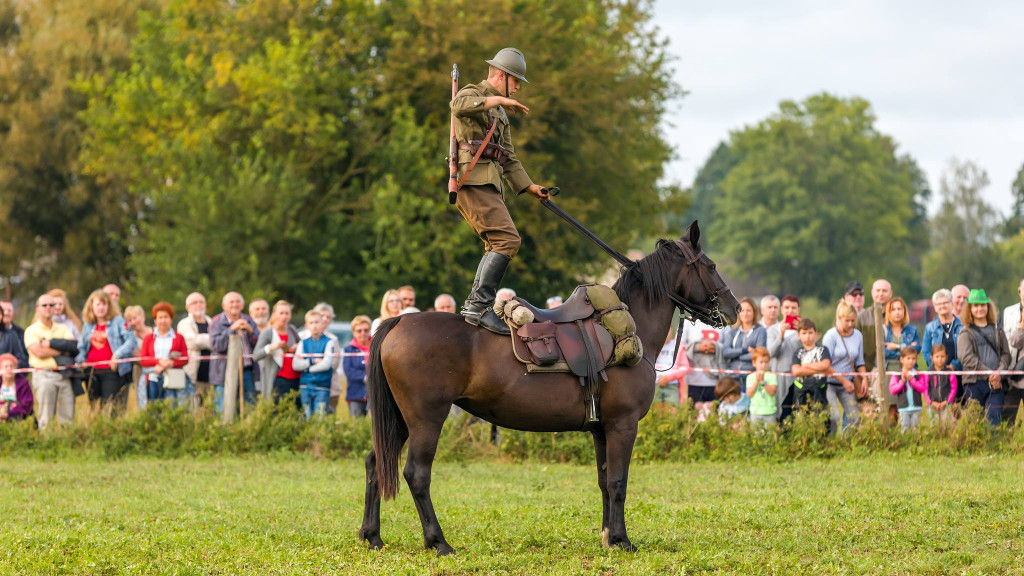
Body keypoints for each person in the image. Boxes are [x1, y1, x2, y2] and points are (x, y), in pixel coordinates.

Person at [451, 47, 550, 335]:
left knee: (499, 242)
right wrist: (499, 99)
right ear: (501, 75)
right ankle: (478, 306)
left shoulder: (500, 113)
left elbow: (507, 157)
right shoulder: (473, 93)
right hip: (472, 180)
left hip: (490, 185)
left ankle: (476, 305)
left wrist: (530, 187)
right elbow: (458, 105)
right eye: (515, 80)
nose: (518, 87)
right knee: (507, 239)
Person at [76, 289, 136, 413]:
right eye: (98, 304)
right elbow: (82, 347)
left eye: (104, 304)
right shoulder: (88, 325)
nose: (101, 308)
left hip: (111, 370)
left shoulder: (118, 321)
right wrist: (81, 361)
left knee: (109, 405)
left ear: (109, 306)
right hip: (91, 371)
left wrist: (117, 355)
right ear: (92, 306)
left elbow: (131, 340)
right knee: (95, 407)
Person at [957, 289, 1010, 426]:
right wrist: (989, 374)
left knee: (993, 419)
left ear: (988, 307)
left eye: (982, 305)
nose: (980, 308)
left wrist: (999, 372)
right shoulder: (965, 332)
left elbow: (1006, 354)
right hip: (974, 384)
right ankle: (976, 448)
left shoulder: (998, 330)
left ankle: (992, 447)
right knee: (974, 422)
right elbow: (966, 357)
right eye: (976, 306)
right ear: (970, 309)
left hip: (996, 383)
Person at [23, 293, 75, 429]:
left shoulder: (63, 328)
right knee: (46, 417)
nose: (48, 307)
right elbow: (39, 352)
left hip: (64, 375)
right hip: (43, 375)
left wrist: (50, 344)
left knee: (68, 417)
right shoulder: (31, 330)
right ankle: (47, 447)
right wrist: (62, 349)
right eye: (44, 305)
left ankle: (68, 446)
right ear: (37, 308)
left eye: (51, 305)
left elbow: (73, 348)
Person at [209, 292, 258, 414]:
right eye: (231, 302)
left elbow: (258, 343)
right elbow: (216, 345)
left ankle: (247, 431)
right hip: (223, 372)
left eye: (237, 302)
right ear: (224, 305)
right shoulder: (217, 322)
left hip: (246, 371)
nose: (235, 304)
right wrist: (232, 329)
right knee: (223, 408)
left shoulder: (248, 320)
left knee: (249, 407)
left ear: (242, 305)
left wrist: (250, 331)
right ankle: (223, 431)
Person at [823, 301, 867, 435]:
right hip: (830, 382)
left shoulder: (858, 335)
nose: (850, 324)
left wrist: (864, 379)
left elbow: (859, 361)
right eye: (847, 321)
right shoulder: (830, 336)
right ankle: (830, 442)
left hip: (848, 384)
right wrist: (843, 381)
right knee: (834, 416)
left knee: (854, 417)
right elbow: (825, 365)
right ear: (839, 318)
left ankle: (847, 444)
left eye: (853, 321)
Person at [139, 302, 191, 406]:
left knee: (172, 407)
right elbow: (143, 360)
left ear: (171, 319)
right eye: (160, 317)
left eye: (166, 317)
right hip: (153, 378)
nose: (163, 320)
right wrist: (159, 361)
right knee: (153, 407)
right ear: (155, 320)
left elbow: (185, 358)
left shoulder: (179, 337)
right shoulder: (148, 338)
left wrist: (171, 363)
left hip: (172, 379)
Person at [252, 300, 301, 405]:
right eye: (281, 313)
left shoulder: (292, 330)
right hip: (276, 379)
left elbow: (302, 347)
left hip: (295, 378)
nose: (284, 316)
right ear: (274, 315)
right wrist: (271, 347)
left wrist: (298, 347)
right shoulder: (267, 332)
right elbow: (255, 355)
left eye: (287, 313)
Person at [881, 297, 920, 423]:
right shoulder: (883, 330)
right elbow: (883, 352)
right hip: (890, 371)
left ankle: (907, 437)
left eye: (899, 309)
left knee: (906, 406)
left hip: (908, 372)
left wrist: (897, 347)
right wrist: (905, 354)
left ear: (904, 311)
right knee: (892, 409)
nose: (897, 312)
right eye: (893, 309)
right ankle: (892, 438)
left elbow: (917, 349)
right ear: (888, 312)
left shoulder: (912, 330)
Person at [292, 310, 335, 418]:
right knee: (307, 417)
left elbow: (326, 364)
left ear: (322, 324)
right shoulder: (303, 343)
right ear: (307, 325)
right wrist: (313, 361)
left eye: (317, 322)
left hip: (322, 386)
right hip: (305, 386)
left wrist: (306, 367)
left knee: (319, 418)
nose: (314, 325)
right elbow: (296, 364)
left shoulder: (329, 342)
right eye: (311, 323)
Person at [684, 319, 728, 421]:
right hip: (694, 381)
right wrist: (697, 347)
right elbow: (680, 347)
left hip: (716, 382)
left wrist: (716, 347)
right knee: (694, 418)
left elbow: (728, 348)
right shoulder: (688, 322)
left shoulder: (722, 321)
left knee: (714, 419)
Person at [769, 295, 802, 422]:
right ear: (782, 309)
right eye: (787, 307)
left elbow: (808, 350)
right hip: (779, 376)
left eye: (793, 308)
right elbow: (771, 353)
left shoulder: (804, 329)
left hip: (797, 377)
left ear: (798, 309)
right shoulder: (773, 330)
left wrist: (801, 332)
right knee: (779, 411)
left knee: (795, 411)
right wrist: (781, 335)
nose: (790, 311)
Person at [177, 292, 214, 406]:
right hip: (193, 375)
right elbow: (192, 341)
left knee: (209, 410)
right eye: (194, 302)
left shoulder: (212, 322)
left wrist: (202, 340)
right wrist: (214, 340)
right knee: (192, 409)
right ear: (187, 307)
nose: (198, 305)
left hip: (211, 376)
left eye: (201, 302)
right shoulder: (184, 323)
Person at [790, 319, 831, 412]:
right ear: (798, 335)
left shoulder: (822, 350)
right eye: (804, 333)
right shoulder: (797, 352)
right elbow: (796, 371)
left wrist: (806, 366)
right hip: (801, 392)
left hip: (819, 391)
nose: (807, 336)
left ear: (815, 333)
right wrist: (818, 368)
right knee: (801, 420)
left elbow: (826, 365)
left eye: (810, 332)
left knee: (820, 420)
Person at [721, 298, 766, 377]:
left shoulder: (761, 330)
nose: (745, 314)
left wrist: (735, 356)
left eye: (748, 310)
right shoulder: (732, 330)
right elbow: (725, 352)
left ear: (754, 312)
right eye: (742, 310)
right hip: (733, 376)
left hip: (751, 376)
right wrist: (745, 350)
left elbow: (759, 355)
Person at [922, 289, 963, 373]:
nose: (942, 306)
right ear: (935, 308)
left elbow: (966, 351)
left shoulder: (963, 326)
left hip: (959, 373)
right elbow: (926, 352)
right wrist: (937, 367)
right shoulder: (930, 328)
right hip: (937, 375)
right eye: (939, 304)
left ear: (951, 304)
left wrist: (953, 366)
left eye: (945, 303)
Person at [1001, 278, 1024, 425]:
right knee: (1006, 419)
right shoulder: (1008, 312)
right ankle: (1005, 447)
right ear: (1019, 290)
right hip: (1012, 375)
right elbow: (1012, 342)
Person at [857, 279, 892, 374]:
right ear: (872, 292)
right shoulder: (862, 317)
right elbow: (856, 348)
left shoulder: (897, 316)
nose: (881, 294)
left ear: (891, 293)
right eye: (878, 290)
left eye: (884, 291)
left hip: (893, 372)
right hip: (869, 371)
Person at [889, 347, 926, 431]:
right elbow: (892, 390)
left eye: (913, 358)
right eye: (908, 358)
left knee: (915, 429)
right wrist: (902, 381)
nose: (911, 361)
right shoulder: (896, 374)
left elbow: (923, 388)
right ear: (902, 359)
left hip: (916, 408)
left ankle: (915, 443)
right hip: (903, 408)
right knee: (904, 429)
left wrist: (912, 380)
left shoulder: (918, 374)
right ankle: (906, 443)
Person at [342, 315, 372, 418]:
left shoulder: (376, 347)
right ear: (354, 332)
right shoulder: (348, 349)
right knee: (356, 427)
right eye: (359, 331)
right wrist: (365, 377)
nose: (363, 333)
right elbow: (348, 371)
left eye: (366, 330)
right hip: (355, 394)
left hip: (375, 395)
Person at [123, 305, 152, 409]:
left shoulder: (155, 332)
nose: (133, 322)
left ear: (143, 317)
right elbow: (134, 355)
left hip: (158, 371)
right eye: (129, 320)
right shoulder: (130, 339)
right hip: (139, 373)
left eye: (135, 318)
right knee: (143, 403)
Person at [653, 330, 688, 406]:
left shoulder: (678, 346)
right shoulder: (653, 345)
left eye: (668, 330)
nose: (666, 333)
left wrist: (668, 378)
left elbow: (685, 367)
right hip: (654, 385)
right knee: (654, 412)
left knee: (672, 412)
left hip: (672, 385)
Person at [925, 344, 957, 424]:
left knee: (946, 425)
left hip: (946, 405)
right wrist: (931, 402)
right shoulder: (928, 373)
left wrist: (946, 402)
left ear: (946, 357)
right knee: (933, 425)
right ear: (932, 357)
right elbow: (925, 389)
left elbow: (954, 388)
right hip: (933, 405)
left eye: (942, 356)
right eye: (937, 356)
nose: (940, 359)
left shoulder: (949, 372)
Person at [746, 347, 777, 425]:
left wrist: (763, 382)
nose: (764, 365)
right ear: (754, 363)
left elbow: (772, 392)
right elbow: (749, 394)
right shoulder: (750, 377)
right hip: (755, 412)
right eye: (761, 362)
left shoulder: (772, 376)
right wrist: (756, 381)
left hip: (769, 411)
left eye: (766, 362)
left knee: (770, 435)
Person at [0, 353, 33, 422]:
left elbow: (27, 405)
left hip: (17, 418)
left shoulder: (23, 384)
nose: (9, 369)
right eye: (6, 367)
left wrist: (7, 415)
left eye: (11, 366)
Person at [0, 300, 29, 369]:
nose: (6, 313)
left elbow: (23, 359)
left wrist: (9, 367)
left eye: (9, 310)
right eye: (4, 310)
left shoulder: (15, 333)